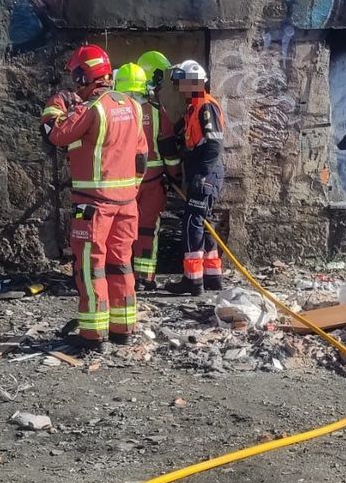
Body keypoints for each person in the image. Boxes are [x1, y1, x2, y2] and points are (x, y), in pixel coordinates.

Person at [42, 44, 148, 349]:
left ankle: (93, 335)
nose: (75, 85)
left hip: (94, 206)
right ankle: (123, 329)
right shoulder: (133, 105)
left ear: (84, 76)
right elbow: (141, 159)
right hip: (127, 204)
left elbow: (55, 132)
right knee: (121, 264)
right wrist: (129, 192)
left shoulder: (93, 109)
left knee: (91, 267)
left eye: (77, 79)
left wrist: (56, 104)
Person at [114, 60, 177, 289]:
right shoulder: (156, 110)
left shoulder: (113, 111)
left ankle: (122, 275)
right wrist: (176, 175)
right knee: (148, 229)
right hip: (151, 182)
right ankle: (144, 277)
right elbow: (168, 146)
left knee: (121, 229)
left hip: (122, 183)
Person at [165, 59, 225, 295]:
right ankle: (212, 277)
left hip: (206, 173)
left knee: (193, 223)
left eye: (182, 82)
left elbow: (213, 145)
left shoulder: (205, 107)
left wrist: (201, 174)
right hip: (202, 172)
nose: (180, 87)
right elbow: (179, 134)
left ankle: (193, 280)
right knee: (205, 223)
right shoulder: (194, 107)